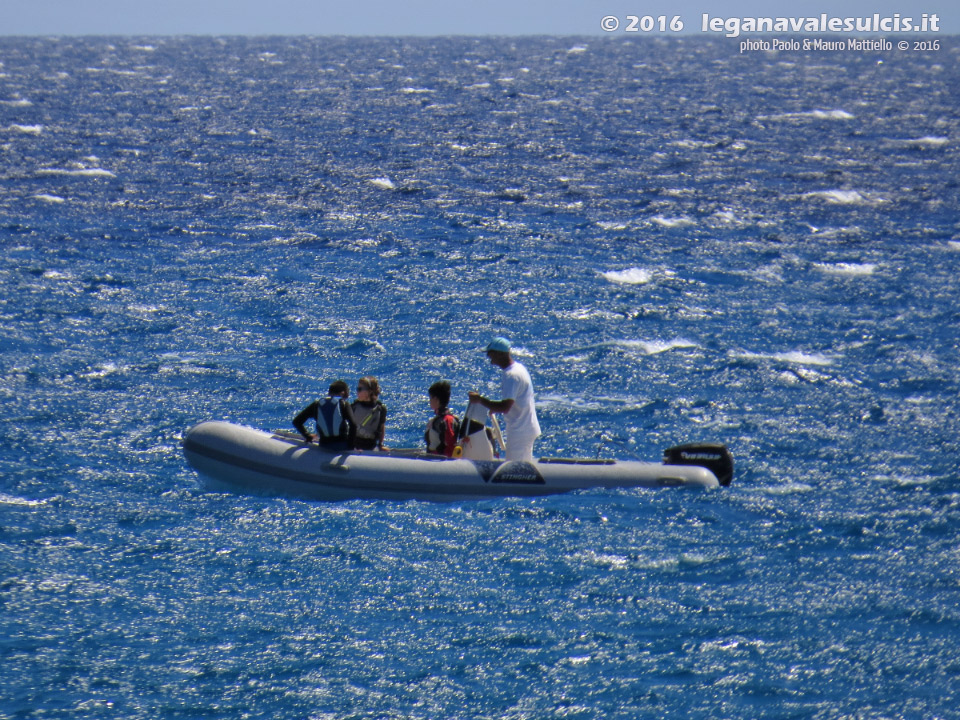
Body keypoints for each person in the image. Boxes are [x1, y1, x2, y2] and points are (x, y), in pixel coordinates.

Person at [468, 337, 541, 462]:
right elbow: (511, 402)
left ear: (499, 354)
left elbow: (505, 407)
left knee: (516, 470)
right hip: (524, 427)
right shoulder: (518, 369)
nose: (489, 358)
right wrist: (493, 407)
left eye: (490, 354)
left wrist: (480, 400)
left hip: (520, 431)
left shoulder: (511, 376)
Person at [293, 380, 356, 451]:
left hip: (324, 445)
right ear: (343, 393)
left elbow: (296, 421)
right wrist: (351, 446)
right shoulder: (344, 404)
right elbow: (353, 425)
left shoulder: (316, 404)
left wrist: (307, 436)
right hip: (341, 445)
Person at [424, 380, 461, 457]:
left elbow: (450, 444)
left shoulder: (446, 420)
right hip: (434, 457)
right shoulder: (439, 419)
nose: (429, 401)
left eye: (431, 398)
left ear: (437, 400)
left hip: (440, 459)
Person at [351, 376, 387, 451]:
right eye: (357, 389)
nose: (357, 392)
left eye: (360, 389)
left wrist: (380, 444)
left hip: (371, 445)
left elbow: (382, 427)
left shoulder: (380, 409)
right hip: (354, 444)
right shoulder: (354, 407)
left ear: (370, 391)